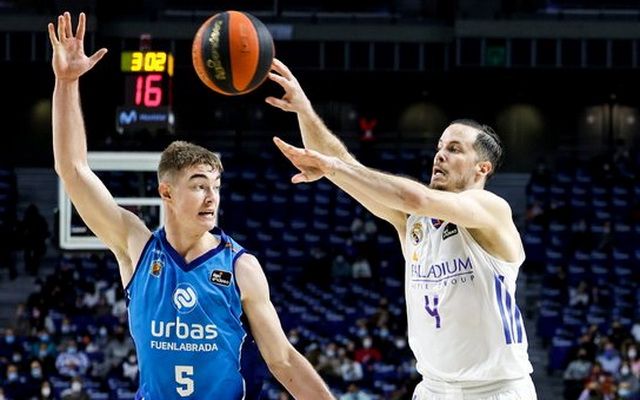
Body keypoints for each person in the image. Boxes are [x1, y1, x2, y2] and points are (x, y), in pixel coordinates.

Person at [48, 12, 334, 400]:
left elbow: (282, 360)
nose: (212, 196)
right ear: (166, 192)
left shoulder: (241, 267)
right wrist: (66, 83)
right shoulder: (136, 245)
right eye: (199, 186)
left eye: (216, 186)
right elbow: (73, 170)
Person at [266, 59, 537, 399]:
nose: (440, 155)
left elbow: (414, 197)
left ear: (482, 168)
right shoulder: (414, 223)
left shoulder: (491, 209)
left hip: (496, 390)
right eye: (440, 147)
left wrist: (334, 168)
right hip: (433, 389)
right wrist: (304, 111)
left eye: (454, 149)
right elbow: (345, 166)